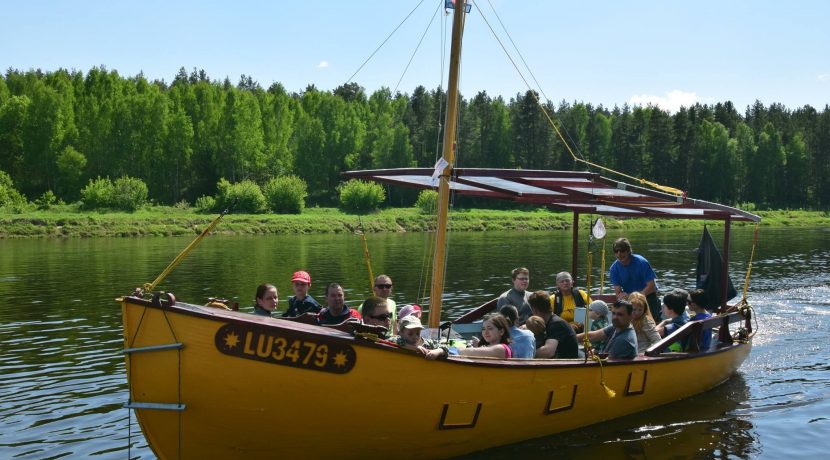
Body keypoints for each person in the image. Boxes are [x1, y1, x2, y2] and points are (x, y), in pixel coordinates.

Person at [610, 238, 661, 321]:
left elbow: (651, 286)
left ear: (629, 251)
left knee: (649, 323)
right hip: (631, 300)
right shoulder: (613, 269)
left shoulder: (642, 262)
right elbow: (618, 292)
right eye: (616, 251)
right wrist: (622, 296)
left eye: (622, 250)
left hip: (648, 297)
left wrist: (636, 297)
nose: (619, 254)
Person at [528, 290, 578, 359]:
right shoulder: (550, 321)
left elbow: (548, 352)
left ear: (534, 310)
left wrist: (525, 354)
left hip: (567, 366)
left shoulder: (556, 324)